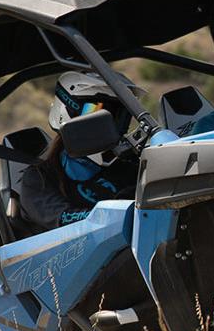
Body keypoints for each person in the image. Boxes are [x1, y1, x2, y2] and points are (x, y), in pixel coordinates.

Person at [19, 71, 138, 231]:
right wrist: (115, 215)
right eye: (95, 113)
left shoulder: (129, 168)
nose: (107, 126)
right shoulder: (39, 178)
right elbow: (63, 218)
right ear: (67, 112)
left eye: (119, 117)